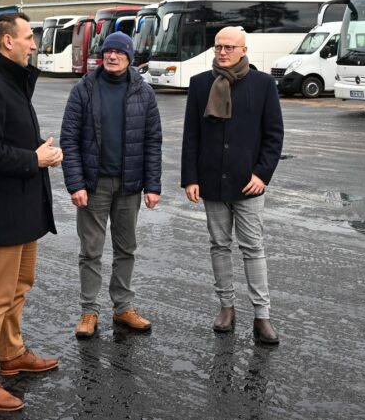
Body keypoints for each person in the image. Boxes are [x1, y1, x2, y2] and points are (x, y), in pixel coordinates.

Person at [0, 12, 63, 411]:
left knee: (20, 286)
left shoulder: (11, 80)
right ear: (7, 41)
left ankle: (12, 354)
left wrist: (40, 151)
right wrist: (34, 159)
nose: (34, 45)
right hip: (2, 211)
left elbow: (13, 138)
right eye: (28, 38)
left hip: (23, 206)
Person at [181, 26, 284, 345]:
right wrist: (190, 177)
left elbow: (274, 135)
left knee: (253, 248)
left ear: (243, 50)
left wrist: (262, 174)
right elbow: (191, 135)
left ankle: (262, 316)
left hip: (249, 183)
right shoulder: (200, 84)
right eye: (218, 47)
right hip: (211, 181)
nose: (222, 52)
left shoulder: (263, 85)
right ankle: (226, 307)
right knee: (219, 245)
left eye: (229, 47)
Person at [60, 31, 162, 339]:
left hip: (130, 185)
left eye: (119, 52)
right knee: (91, 251)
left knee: (126, 249)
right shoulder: (84, 89)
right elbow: (69, 139)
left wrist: (152, 185)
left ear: (129, 57)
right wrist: (75, 184)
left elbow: (153, 141)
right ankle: (89, 311)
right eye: (108, 52)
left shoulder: (143, 92)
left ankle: (123, 308)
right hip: (94, 185)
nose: (112, 56)